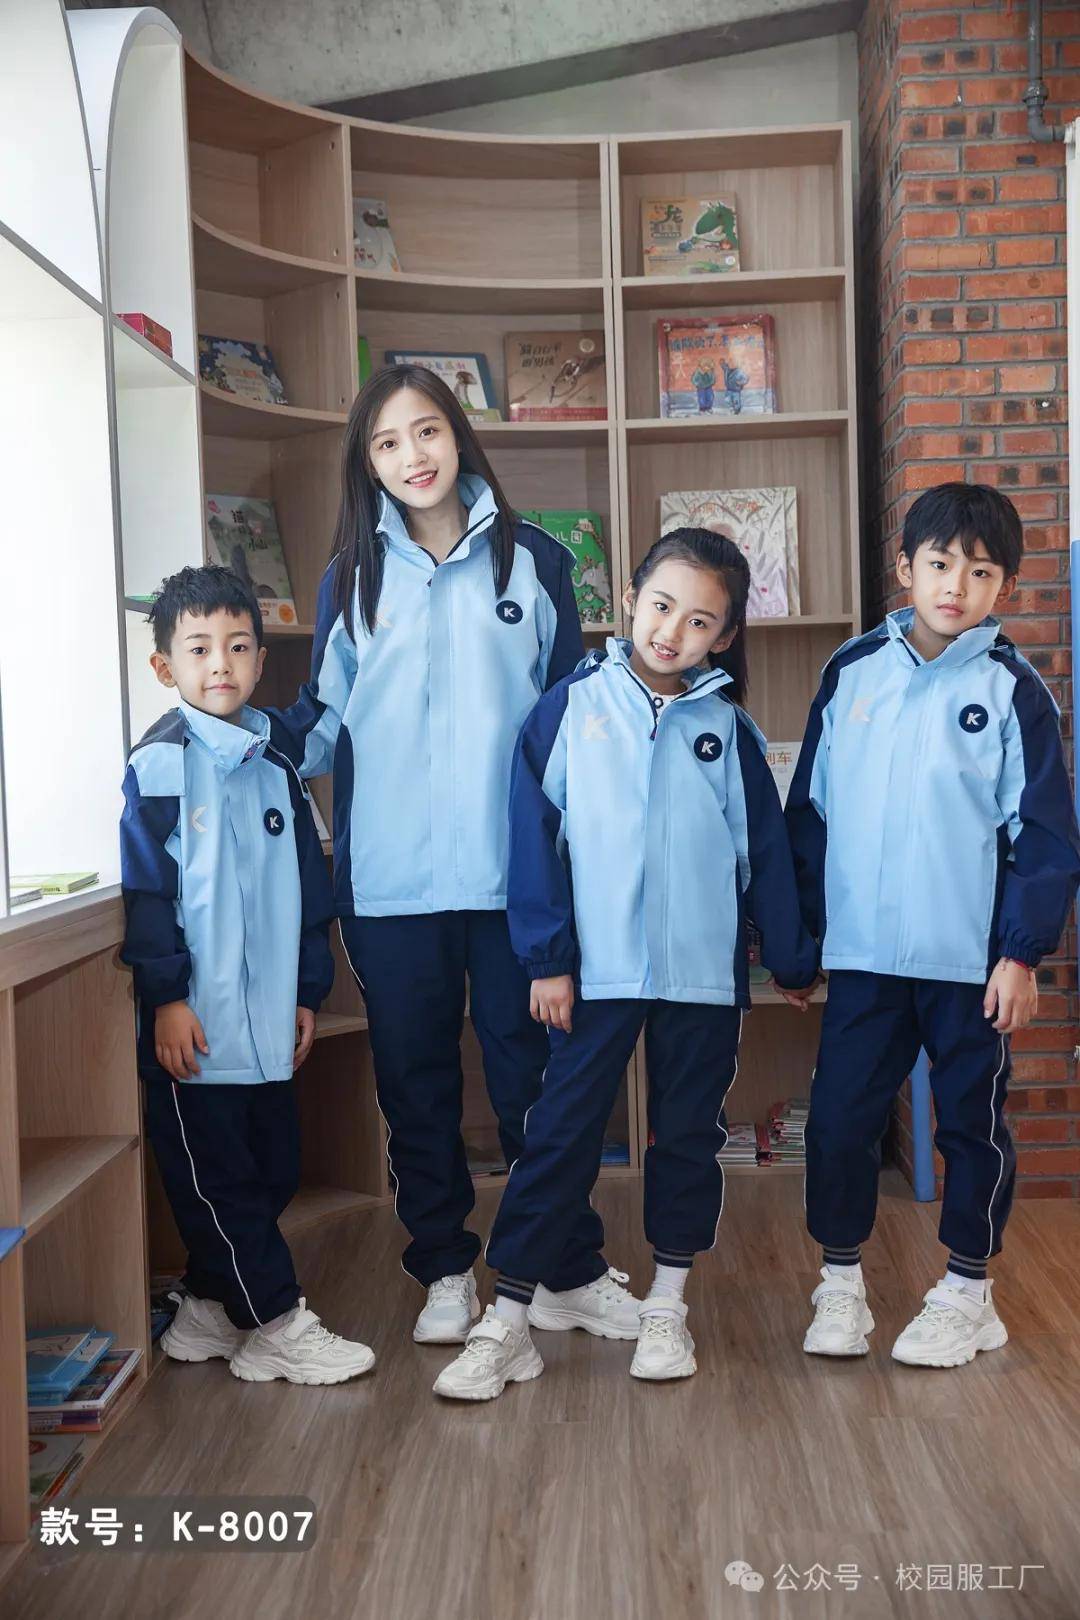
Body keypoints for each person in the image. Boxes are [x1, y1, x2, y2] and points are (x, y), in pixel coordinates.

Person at [274, 364, 638, 1347]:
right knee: (417, 1087)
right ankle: (442, 1268)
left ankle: (562, 1269)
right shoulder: (351, 578)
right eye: (388, 443)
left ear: (459, 435)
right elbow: (321, 723)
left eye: (426, 431)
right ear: (368, 464)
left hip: (517, 881)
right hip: (390, 884)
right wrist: (229, 740)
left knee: (536, 1087)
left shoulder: (536, 562)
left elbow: (571, 724)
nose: (413, 457)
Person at [433, 529, 818, 1399]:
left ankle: (668, 1305)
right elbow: (533, 844)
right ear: (630, 599)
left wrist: (792, 961)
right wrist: (547, 961)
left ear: (724, 636)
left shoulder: (727, 730)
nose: (673, 631)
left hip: (700, 981)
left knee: (687, 1138)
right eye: (662, 606)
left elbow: (765, 855)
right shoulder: (569, 709)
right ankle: (510, 1319)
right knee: (559, 1137)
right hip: (594, 975)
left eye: (700, 621)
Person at [786, 482, 1080, 1368]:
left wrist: (1019, 956)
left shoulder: (1013, 690)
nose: (956, 585)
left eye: (980, 572)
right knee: (839, 1123)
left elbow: (1045, 837)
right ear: (904, 566)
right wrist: (802, 944)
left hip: (968, 963)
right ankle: (841, 1283)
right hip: (866, 959)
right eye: (941, 563)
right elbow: (811, 815)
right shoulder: (851, 672)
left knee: (969, 1129)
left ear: (1005, 587)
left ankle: (967, 1291)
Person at [120, 565, 374, 1385]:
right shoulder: (161, 765)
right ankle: (276, 1323)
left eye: (237, 647)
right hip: (195, 1030)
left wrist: (306, 993)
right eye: (199, 649)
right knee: (221, 1186)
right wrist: (166, 998)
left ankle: (204, 1310)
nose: (220, 664)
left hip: (267, 1025)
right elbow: (149, 897)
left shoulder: (277, 761)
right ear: (166, 667)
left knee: (273, 1170)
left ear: (262, 661)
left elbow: (305, 892)